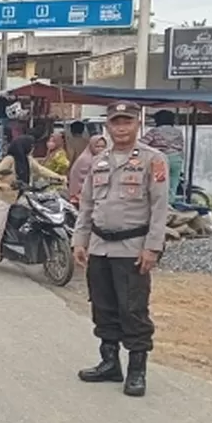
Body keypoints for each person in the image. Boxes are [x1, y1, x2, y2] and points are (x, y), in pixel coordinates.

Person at [73, 101, 169, 398]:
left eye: (127, 121)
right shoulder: (99, 161)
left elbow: (159, 207)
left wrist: (152, 248)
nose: (121, 127)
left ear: (138, 124)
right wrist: (80, 239)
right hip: (100, 247)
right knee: (103, 307)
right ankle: (110, 362)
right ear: (108, 126)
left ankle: (137, 370)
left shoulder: (154, 160)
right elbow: (87, 204)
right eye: (116, 122)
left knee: (133, 309)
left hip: (132, 248)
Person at [0, 134, 66, 276]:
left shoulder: (27, 160)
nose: (32, 149)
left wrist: (58, 177)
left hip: (21, 196)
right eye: (30, 147)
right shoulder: (9, 160)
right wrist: (0, 184)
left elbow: (40, 170)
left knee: (39, 211)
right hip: (3, 197)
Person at [141, 110, 186, 199]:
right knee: (173, 185)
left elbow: (142, 143)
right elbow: (181, 145)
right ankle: (170, 205)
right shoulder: (178, 132)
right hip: (176, 159)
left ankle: (159, 204)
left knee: (158, 184)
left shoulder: (154, 131)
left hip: (160, 159)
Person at [67, 134, 107, 206]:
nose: (101, 149)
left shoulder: (98, 159)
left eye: (103, 147)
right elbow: (85, 181)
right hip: (80, 195)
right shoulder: (86, 160)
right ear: (91, 146)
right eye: (97, 146)